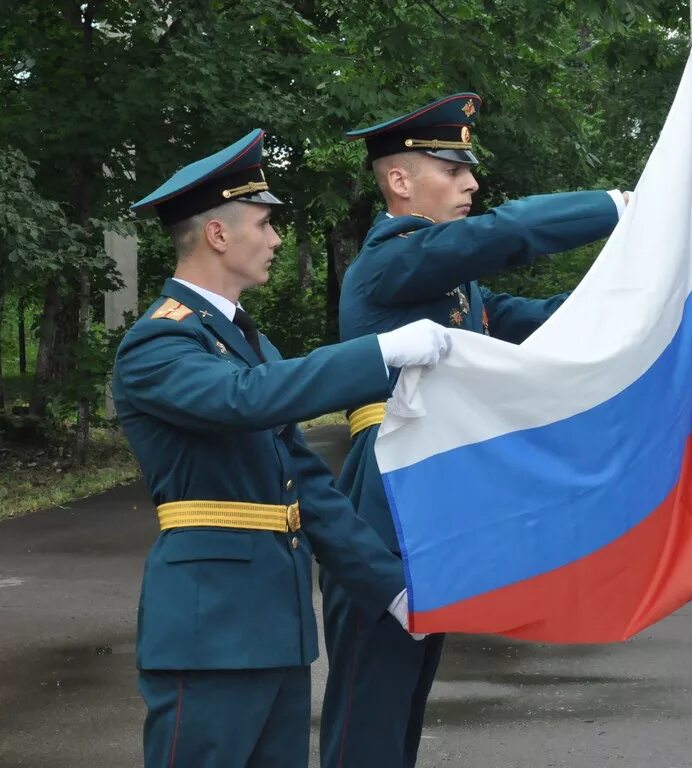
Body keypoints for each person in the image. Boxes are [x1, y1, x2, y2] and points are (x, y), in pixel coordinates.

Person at [111, 129, 452, 768]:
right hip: (207, 633)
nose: (274, 239)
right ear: (218, 234)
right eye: (265, 224)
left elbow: (309, 489)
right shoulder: (159, 344)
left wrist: (393, 590)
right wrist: (378, 352)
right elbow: (244, 399)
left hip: (278, 632)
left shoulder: (251, 346)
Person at [318, 93, 628, 768]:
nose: (472, 184)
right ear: (400, 181)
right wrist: (620, 206)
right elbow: (501, 234)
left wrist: (646, 291)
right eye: (453, 170)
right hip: (386, 494)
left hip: (428, 491)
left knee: (403, 701)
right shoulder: (392, 260)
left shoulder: (454, 289)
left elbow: (546, 320)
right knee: (369, 711)